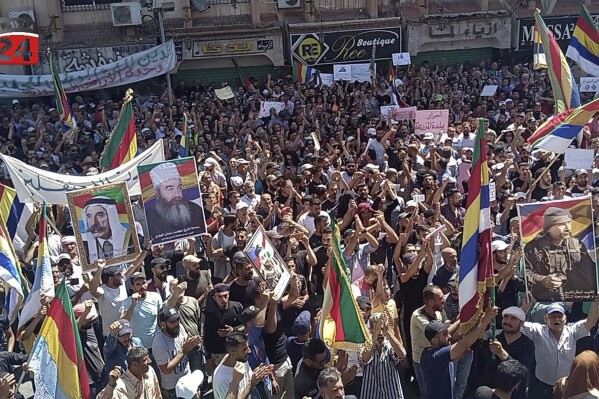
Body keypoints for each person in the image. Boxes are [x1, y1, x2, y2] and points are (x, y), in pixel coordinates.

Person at [521, 301, 599, 398]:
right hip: (541, 385)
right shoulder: (538, 331)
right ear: (546, 318)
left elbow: (590, 322)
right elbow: (518, 322)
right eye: (553, 316)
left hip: (565, 386)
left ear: (565, 319)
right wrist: (525, 306)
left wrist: (596, 304)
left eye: (559, 316)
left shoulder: (572, 331)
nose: (556, 319)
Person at [420, 306, 498, 399]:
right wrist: (485, 319)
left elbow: (468, 346)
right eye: (445, 334)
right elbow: (464, 344)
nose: (449, 336)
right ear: (435, 340)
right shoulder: (437, 356)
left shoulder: (432, 350)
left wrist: (478, 321)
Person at [524, 207, 597, 301]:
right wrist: (542, 280)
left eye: (568, 222)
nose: (568, 228)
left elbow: (589, 271)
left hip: (574, 300)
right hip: (544, 301)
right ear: (548, 228)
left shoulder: (577, 244)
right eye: (561, 224)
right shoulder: (533, 247)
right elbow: (526, 273)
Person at [145, 162, 206, 240]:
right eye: (170, 189)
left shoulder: (195, 209)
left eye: (179, 187)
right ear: (157, 192)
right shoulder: (150, 216)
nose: (177, 194)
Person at [152, 307, 202, 398]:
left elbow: (186, 346)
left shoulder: (180, 328)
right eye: (172, 322)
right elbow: (166, 370)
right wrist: (183, 351)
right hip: (172, 389)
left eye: (178, 320)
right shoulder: (159, 342)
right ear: (163, 324)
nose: (177, 324)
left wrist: (193, 343)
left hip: (187, 381)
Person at [212, 332, 273, 399]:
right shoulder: (221, 378)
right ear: (233, 354)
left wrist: (257, 376)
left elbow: (248, 381)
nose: (249, 351)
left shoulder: (241, 359)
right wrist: (251, 384)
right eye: (244, 349)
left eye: (248, 347)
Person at [360, 313, 406, 399]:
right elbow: (365, 359)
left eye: (382, 329)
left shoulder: (390, 344)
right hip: (371, 393)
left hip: (392, 393)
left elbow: (402, 354)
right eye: (377, 329)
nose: (380, 333)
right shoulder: (364, 345)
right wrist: (375, 334)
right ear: (370, 330)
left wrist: (387, 332)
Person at [82, 196, 135, 264]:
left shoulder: (130, 239)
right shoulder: (84, 247)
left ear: (111, 217)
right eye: (89, 216)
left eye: (100, 215)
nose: (93, 223)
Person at [98, 347, 162, 399]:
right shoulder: (120, 386)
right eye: (145, 360)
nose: (150, 361)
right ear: (134, 365)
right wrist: (111, 385)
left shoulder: (150, 371)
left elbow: (157, 394)